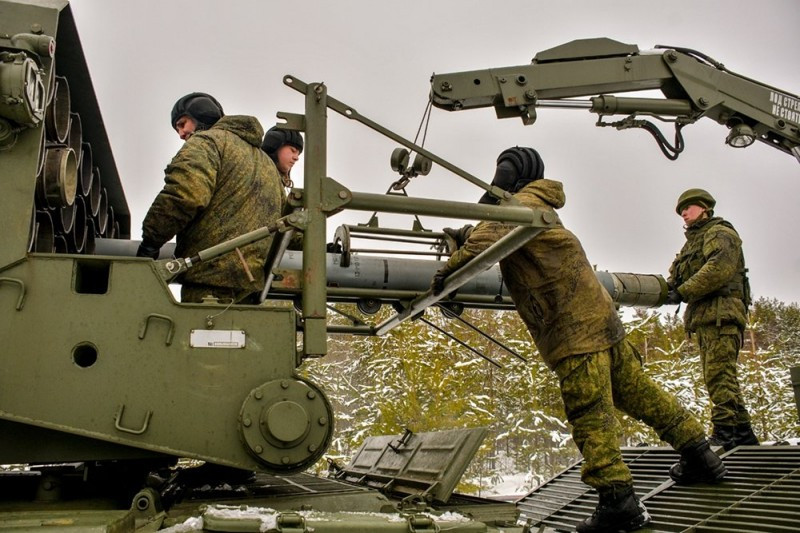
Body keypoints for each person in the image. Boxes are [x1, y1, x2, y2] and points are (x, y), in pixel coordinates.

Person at [432, 147, 727, 533]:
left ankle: (618, 501)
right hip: (598, 318)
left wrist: (445, 272)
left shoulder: (521, 205)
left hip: (573, 327)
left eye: (501, 175)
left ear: (513, 178)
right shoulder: (533, 205)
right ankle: (700, 455)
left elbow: (483, 245)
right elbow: (491, 234)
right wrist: (474, 229)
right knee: (636, 391)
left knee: (590, 412)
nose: (496, 181)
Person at [136, 92, 284, 304]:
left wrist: (150, 243)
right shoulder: (267, 164)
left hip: (209, 283)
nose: (181, 133)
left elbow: (185, 195)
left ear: (200, 115)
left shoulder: (206, 142)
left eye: (182, 123)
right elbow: (283, 218)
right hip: (251, 288)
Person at [665, 188, 758, 451]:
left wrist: (682, 292)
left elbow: (718, 269)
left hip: (723, 315)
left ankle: (724, 433)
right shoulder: (692, 243)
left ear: (704, 207)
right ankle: (743, 435)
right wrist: (667, 290)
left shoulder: (720, 233)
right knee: (719, 376)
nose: (683, 213)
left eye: (688, 207)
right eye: (682, 210)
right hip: (705, 318)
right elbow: (677, 278)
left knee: (719, 376)